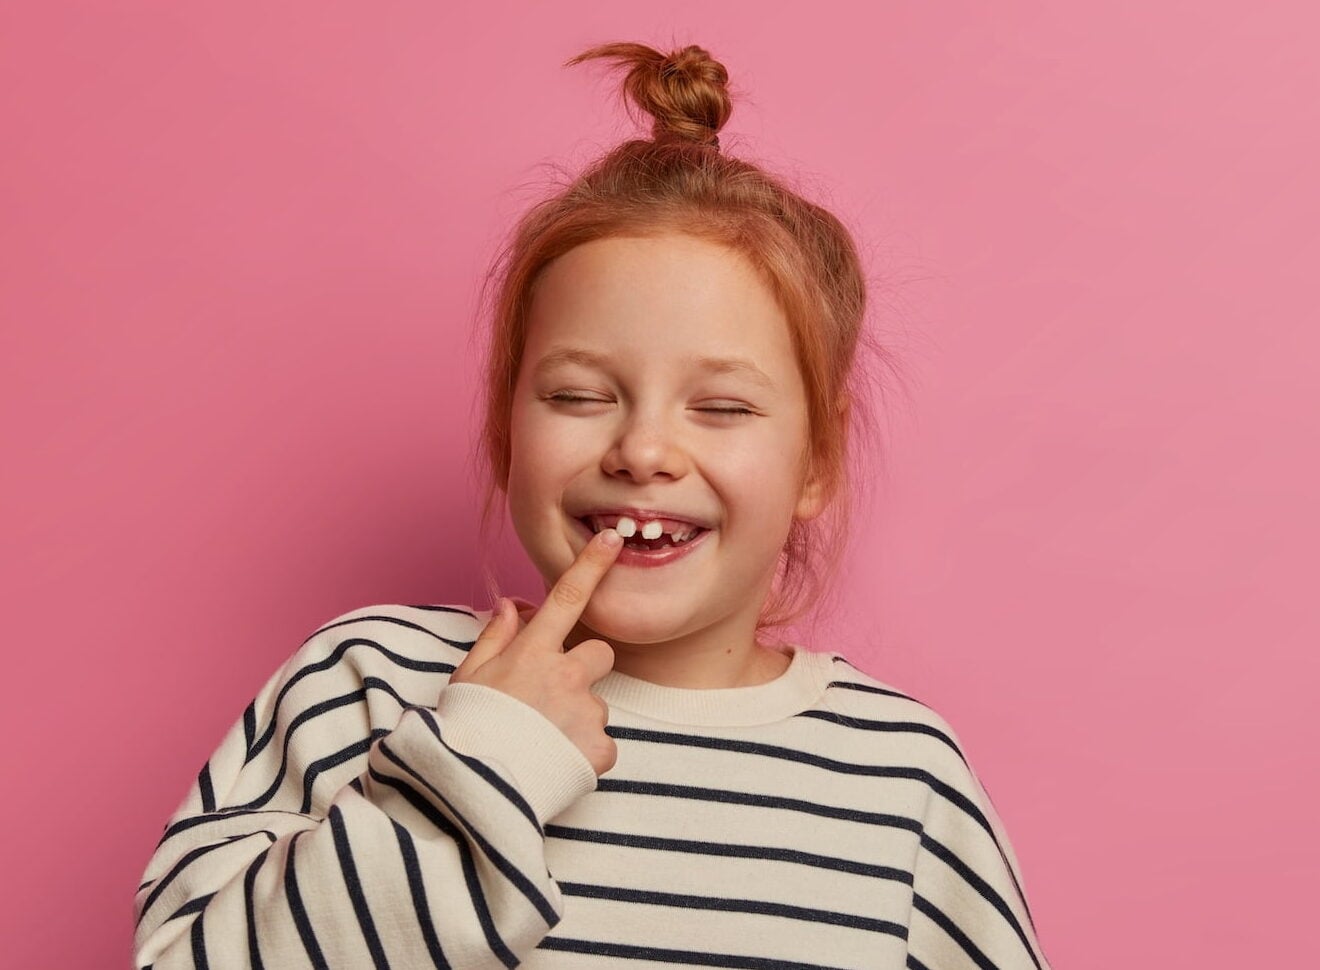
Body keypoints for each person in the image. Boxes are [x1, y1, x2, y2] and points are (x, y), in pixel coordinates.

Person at [133, 41, 1053, 970]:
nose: (643, 451)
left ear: (816, 458)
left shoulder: (903, 780)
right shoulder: (365, 688)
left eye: (722, 407)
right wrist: (485, 762)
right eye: (578, 396)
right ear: (506, 430)